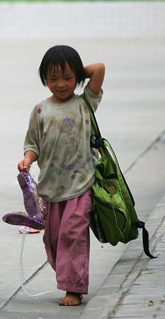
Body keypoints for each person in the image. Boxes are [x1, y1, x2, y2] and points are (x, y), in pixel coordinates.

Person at [17, 45, 105, 306]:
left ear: (77, 78)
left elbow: (98, 69)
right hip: (51, 189)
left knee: (72, 235)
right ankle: (68, 277)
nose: (61, 84)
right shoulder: (41, 110)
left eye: (68, 78)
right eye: (53, 78)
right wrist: (28, 160)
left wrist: (77, 72)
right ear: (45, 79)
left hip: (80, 185)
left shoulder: (84, 103)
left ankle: (73, 288)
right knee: (53, 240)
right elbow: (32, 144)